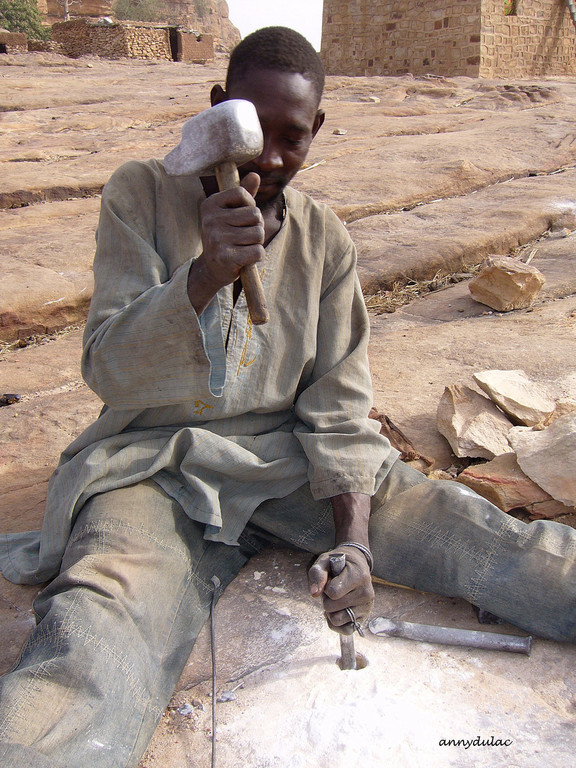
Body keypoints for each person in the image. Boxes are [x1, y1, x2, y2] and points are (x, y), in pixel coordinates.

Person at [0, 25, 575, 768]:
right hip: (150, 465)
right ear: (216, 107)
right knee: (96, 635)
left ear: (318, 131)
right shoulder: (141, 193)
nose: (268, 158)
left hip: (288, 462)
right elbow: (108, 372)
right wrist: (203, 273)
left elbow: (337, 410)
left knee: (481, 536)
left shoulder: (325, 240)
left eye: (292, 137)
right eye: (252, 129)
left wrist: (356, 543)